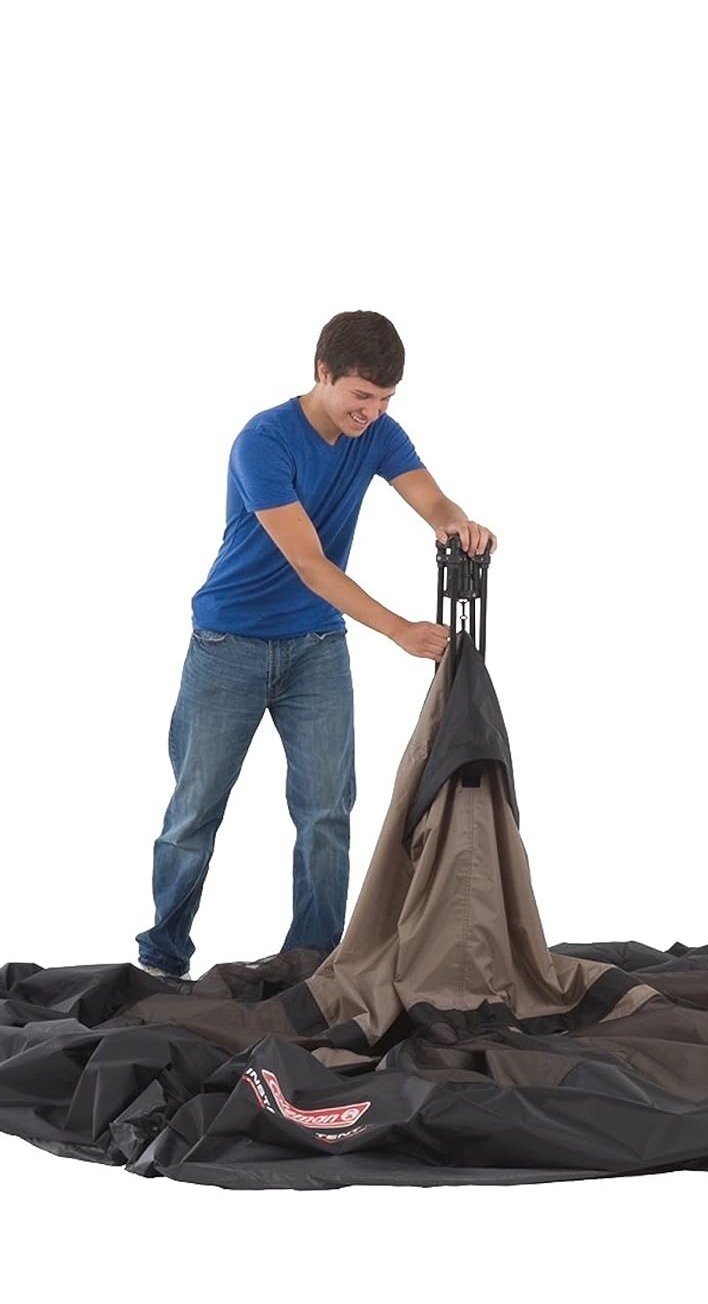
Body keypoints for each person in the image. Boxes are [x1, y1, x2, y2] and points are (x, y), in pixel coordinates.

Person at [135, 311, 496, 981]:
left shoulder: (379, 433)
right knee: (195, 811)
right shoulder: (264, 441)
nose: (372, 412)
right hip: (229, 643)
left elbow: (434, 502)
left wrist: (459, 525)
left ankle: (316, 962)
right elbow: (309, 563)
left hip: (316, 648)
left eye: (385, 399)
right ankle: (162, 958)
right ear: (322, 372)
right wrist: (399, 629)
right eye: (361, 395)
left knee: (326, 812)